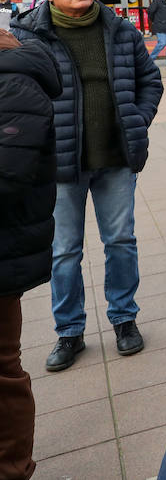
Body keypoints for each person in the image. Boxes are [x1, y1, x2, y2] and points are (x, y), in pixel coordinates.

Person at [12, 0, 165, 372]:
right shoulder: (27, 36)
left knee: (120, 241)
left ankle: (124, 320)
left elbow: (149, 80)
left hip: (116, 157)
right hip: (59, 165)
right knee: (64, 251)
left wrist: (138, 118)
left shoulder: (118, 28)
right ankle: (70, 332)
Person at [0, 30, 60, 479]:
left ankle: (12, 469)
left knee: (2, 372)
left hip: (4, 249)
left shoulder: (15, 81)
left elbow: (9, 172)